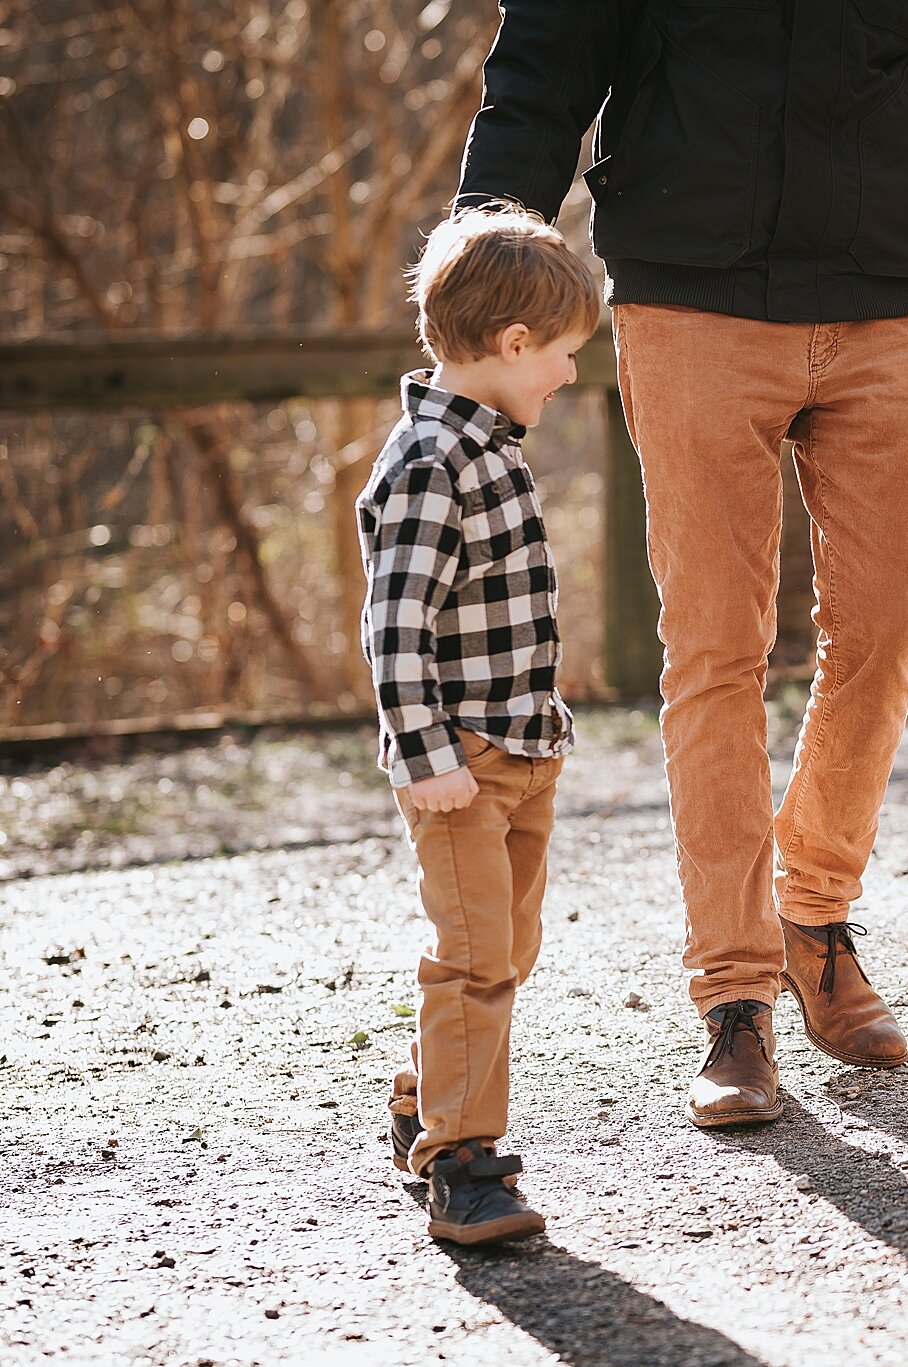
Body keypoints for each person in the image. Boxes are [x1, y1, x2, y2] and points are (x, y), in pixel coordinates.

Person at [454, 2, 908, 1127]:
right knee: (715, 649)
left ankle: (809, 912)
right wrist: (475, 302)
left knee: (887, 631)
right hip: (685, 299)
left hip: (883, 308)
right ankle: (736, 999)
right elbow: (540, 80)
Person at [361, 205, 599, 1244]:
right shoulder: (427, 463)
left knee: (510, 944)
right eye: (560, 356)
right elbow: (394, 624)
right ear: (510, 346)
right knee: (474, 956)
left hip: (522, 748)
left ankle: (426, 1089)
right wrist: (424, 758)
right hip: (458, 761)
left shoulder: (490, 444)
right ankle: (463, 1161)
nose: (567, 376)